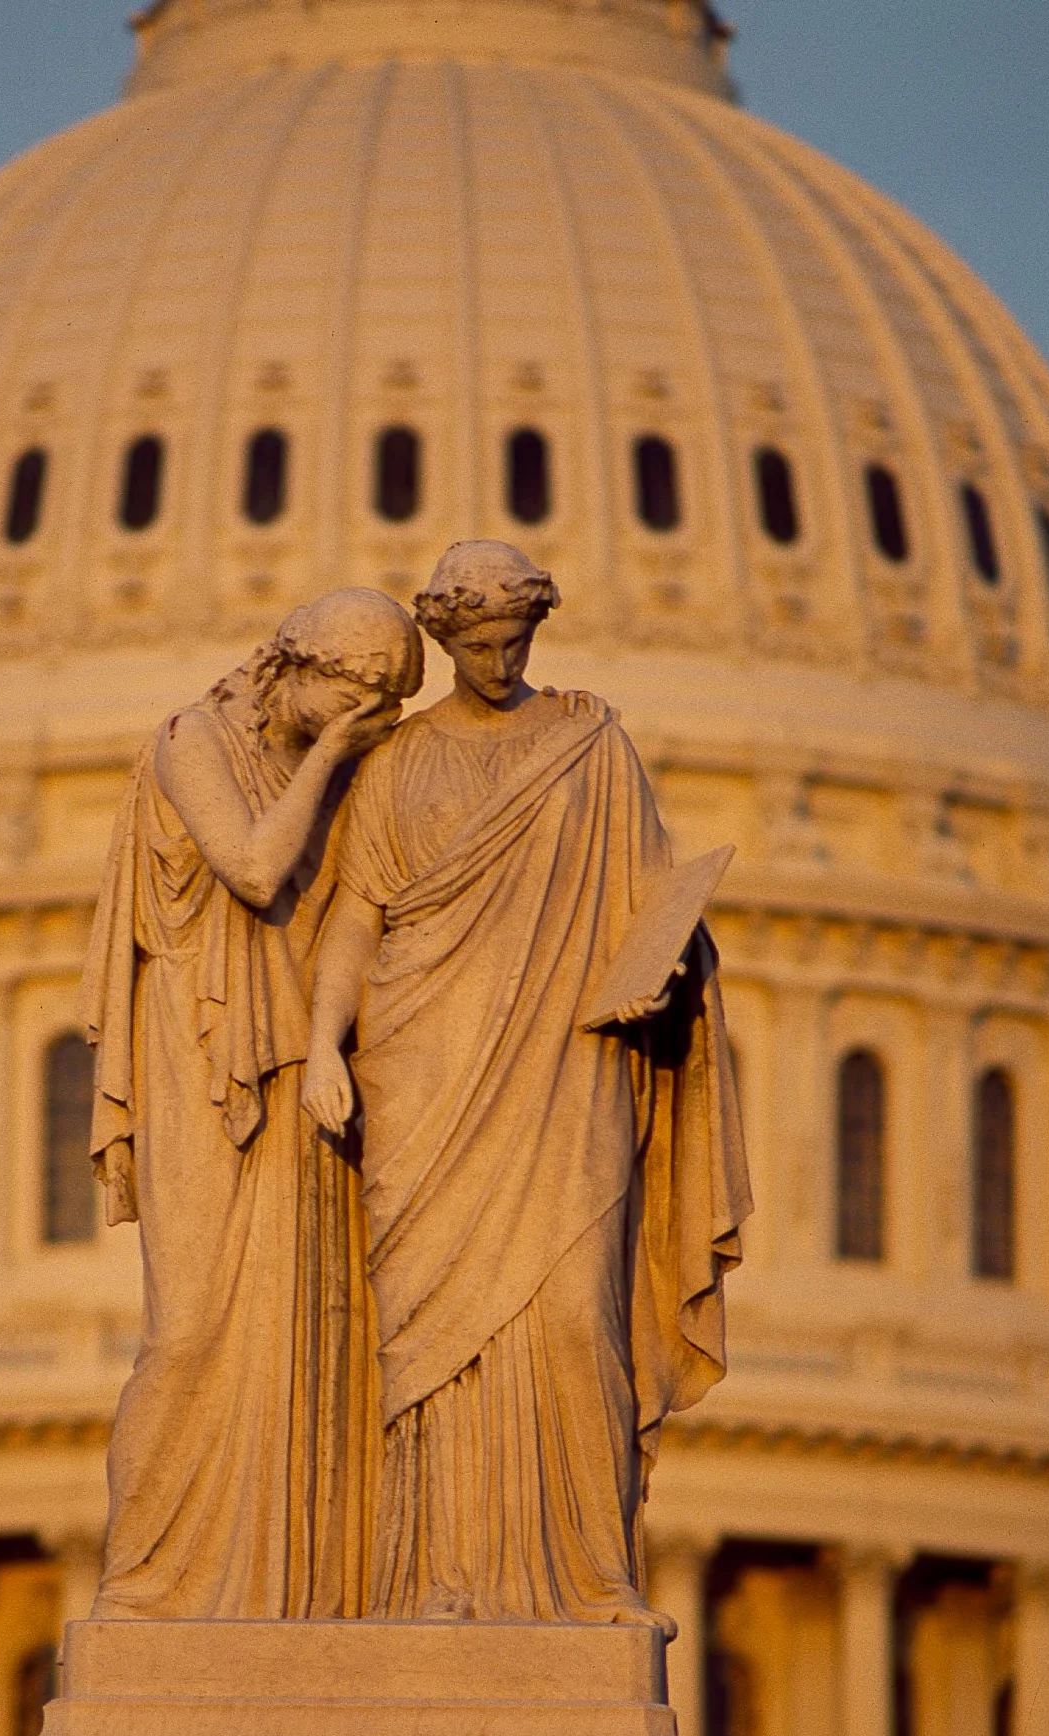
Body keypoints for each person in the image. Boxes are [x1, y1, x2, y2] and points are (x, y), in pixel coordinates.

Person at [303, 541, 750, 1621]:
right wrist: (321, 1044)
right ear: (444, 640)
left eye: (517, 642)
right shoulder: (400, 765)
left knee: (573, 1318)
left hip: (565, 1071)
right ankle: (438, 1577)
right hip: (422, 1077)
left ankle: (591, 1575)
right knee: (434, 1348)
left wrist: (668, 970)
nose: (501, 663)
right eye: (481, 647)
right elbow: (356, 915)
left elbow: (651, 902)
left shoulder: (591, 749)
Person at [80, 589, 422, 1616]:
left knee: (308, 1337)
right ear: (298, 669)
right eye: (360, 700)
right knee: (189, 1334)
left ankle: (298, 1589)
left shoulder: (347, 765)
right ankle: (147, 1586)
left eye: (390, 707)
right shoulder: (195, 740)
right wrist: (336, 755)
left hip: (305, 1066)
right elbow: (255, 868)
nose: (372, 724)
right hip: (199, 1053)